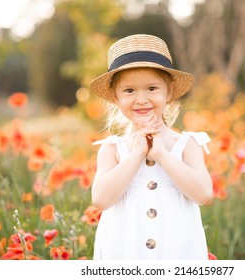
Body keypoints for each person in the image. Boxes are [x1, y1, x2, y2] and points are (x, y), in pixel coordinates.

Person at [89, 34, 213, 260]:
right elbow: (101, 199)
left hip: (176, 254)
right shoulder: (112, 149)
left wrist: (162, 155)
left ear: (169, 92)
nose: (141, 99)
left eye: (152, 88)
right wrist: (137, 154)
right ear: (116, 98)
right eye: (129, 91)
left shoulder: (186, 144)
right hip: (124, 253)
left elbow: (204, 194)